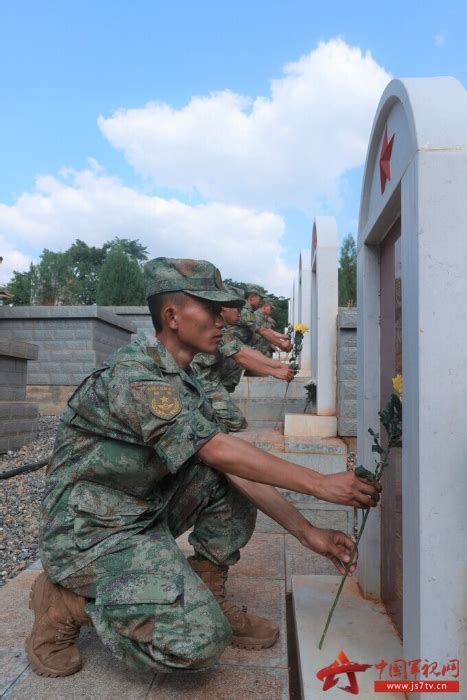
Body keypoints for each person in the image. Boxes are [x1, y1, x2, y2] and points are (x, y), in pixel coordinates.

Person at [26, 257, 381, 678]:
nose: (222, 321)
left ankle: (208, 591)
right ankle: (64, 602)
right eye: (211, 310)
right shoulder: (134, 377)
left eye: (222, 310)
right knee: (197, 643)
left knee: (227, 479)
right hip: (86, 533)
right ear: (172, 316)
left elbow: (233, 463)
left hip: (140, 512)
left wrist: (308, 533)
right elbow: (215, 448)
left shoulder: (185, 377)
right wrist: (320, 484)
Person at [192, 294, 294, 431]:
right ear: (224, 309)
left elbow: (246, 351)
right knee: (234, 422)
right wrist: (275, 371)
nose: (241, 313)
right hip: (197, 381)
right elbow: (241, 356)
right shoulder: (211, 327)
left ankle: (208, 408)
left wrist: (279, 365)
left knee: (238, 422)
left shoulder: (224, 329)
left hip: (210, 379)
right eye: (238, 309)